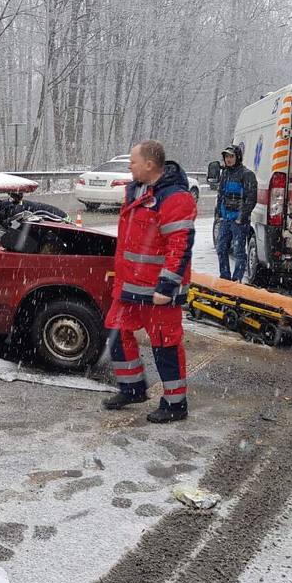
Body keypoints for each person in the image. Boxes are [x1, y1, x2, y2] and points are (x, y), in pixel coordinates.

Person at [103, 140, 196, 423]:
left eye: (133, 161)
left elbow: (179, 247)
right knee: (115, 332)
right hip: (130, 286)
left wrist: (167, 287)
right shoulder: (137, 192)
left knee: (165, 344)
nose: (129, 166)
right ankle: (132, 389)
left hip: (158, 290)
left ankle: (175, 403)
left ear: (149, 164)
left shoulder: (175, 198)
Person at [215, 145, 257, 282]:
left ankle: (237, 280)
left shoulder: (247, 175)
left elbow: (251, 198)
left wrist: (242, 217)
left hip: (239, 221)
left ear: (237, 157)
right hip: (225, 219)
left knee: (239, 251)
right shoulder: (225, 174)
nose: (228, 159)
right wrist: (218, 213)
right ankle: (224, 278)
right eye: (226, 157)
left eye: (231, 156)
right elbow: (221, 194)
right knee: (221, 249)